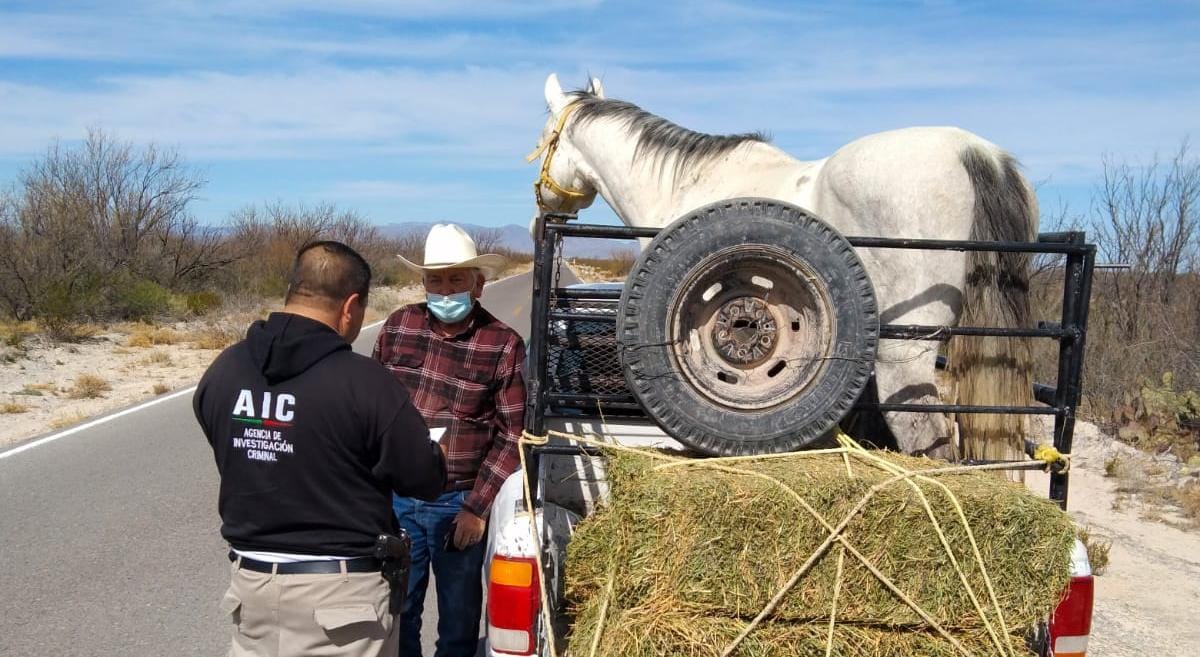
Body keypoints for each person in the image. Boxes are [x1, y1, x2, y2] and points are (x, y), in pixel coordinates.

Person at [194, 240, 447, 657]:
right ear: (350, 306)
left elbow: (225, 443)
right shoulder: (365, 382)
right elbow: (423, 478)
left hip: (251, 591)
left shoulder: (225, 368)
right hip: (341, 602)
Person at [373, 224, 526, 657]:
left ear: (478, 283)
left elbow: (511, 432)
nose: (445, 289)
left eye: (456, 279)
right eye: (435, 279)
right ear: (422, 282)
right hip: (398, 498)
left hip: (458, 502)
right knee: (396, 611)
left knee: (458, 621)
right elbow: (371, 408)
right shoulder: (399, 327)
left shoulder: (503, 343)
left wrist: (477, 510)